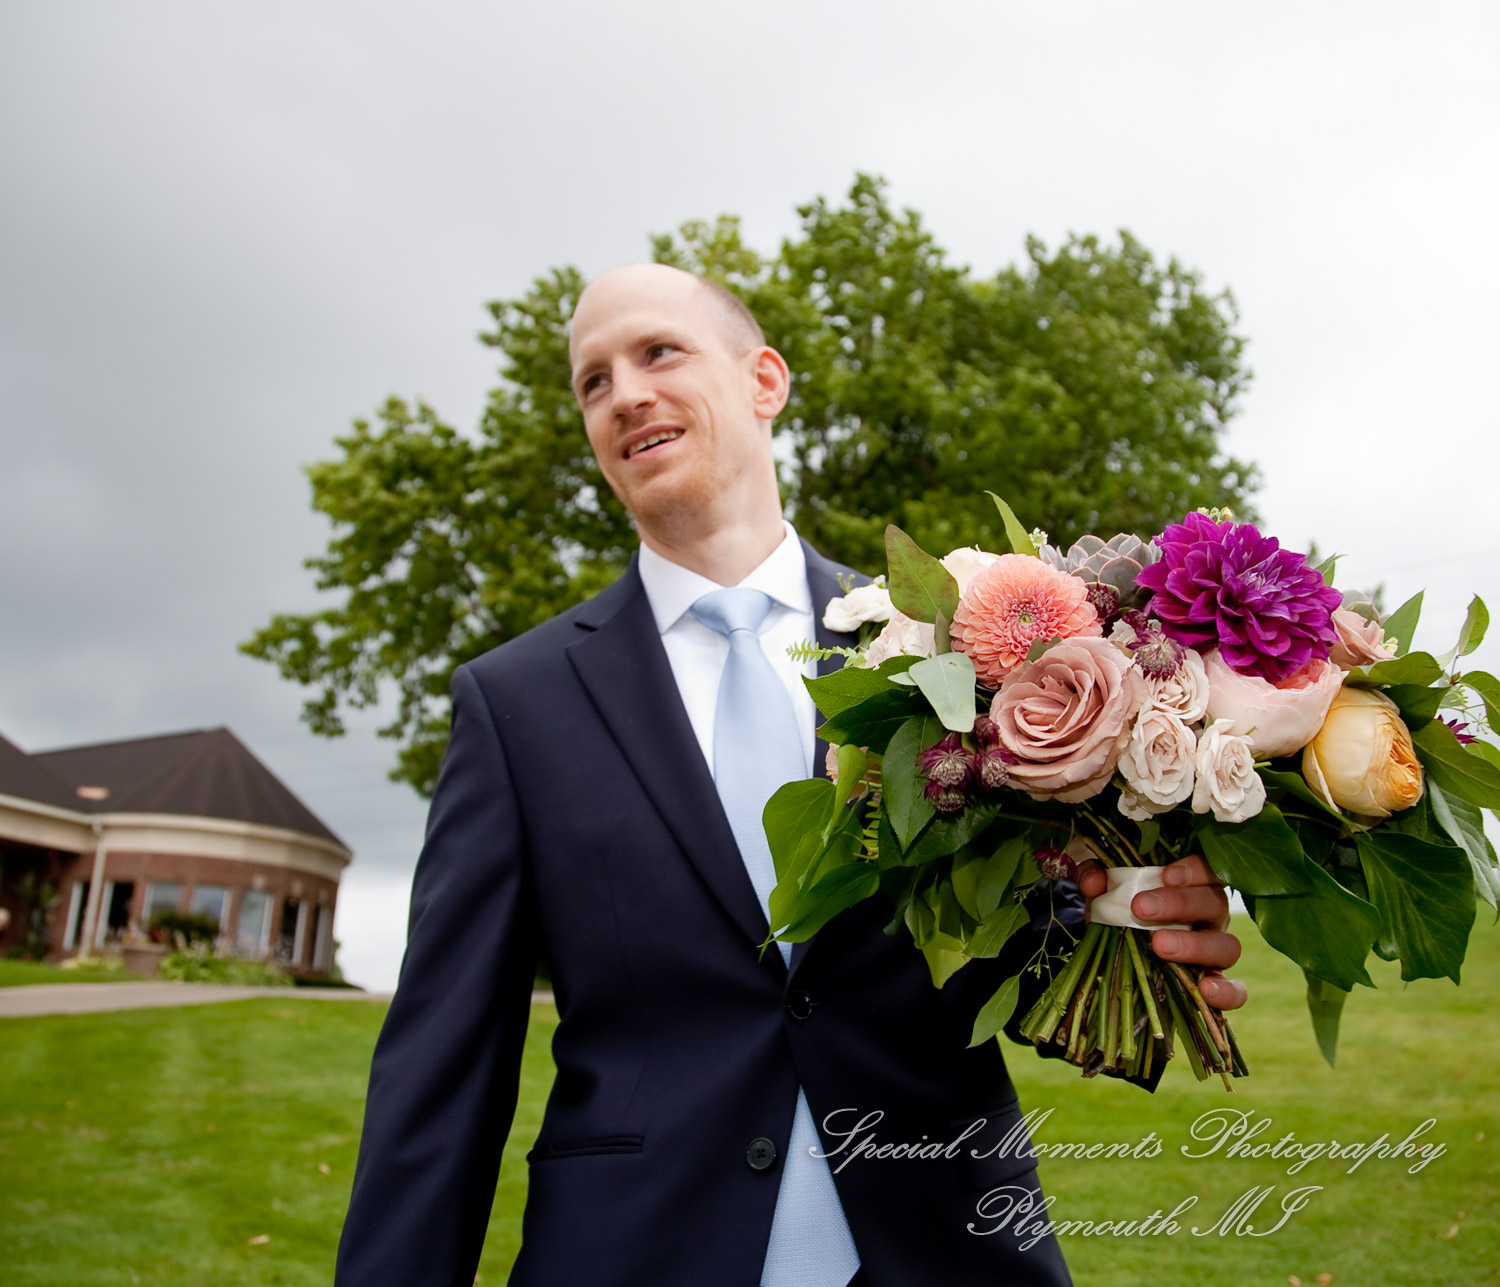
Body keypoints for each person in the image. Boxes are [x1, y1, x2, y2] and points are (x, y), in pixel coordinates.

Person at [334, 264, 1246, 1287]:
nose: (624, 393)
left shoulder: (947, 645)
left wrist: (1132, 910)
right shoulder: (515, 704)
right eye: (593, 381)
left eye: (658, 352)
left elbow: (999, 936)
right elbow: (443, 1069)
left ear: (764, 379)